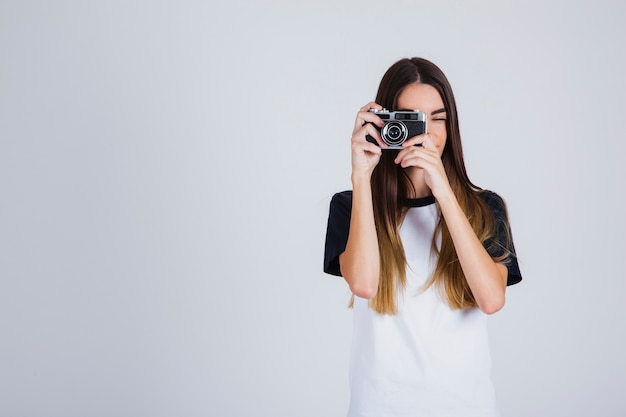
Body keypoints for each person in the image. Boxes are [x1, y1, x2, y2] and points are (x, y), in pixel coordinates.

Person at [323, 57, 522, 417]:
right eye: (411, 119)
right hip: (379, 407)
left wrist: (443, 190)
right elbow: (364, 284)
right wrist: (361, 176)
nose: (426, 133)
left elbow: (491, 299)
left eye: (438, 118)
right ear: (385, 123)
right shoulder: (352, 205)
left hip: (467, 408)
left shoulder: (485, 207)